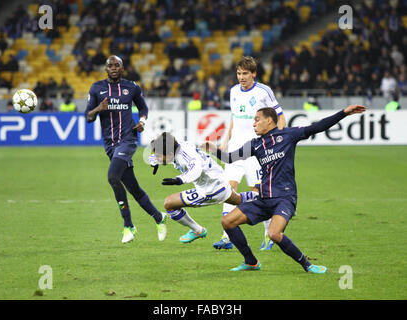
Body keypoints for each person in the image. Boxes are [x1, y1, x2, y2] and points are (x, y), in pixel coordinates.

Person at [202, 104, 366, 272]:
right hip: (263, 198)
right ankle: (251, 262)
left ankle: (308, 265)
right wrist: (214, 150)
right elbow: (230, 158)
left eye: (257, 120)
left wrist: (344, 113)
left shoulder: (288, 135)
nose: (254, 124)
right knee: (227, 222)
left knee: (274, 234)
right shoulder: (255, 144)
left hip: (284, 199)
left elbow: (318, 126)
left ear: (270, 120)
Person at [84, 55, 167, 244]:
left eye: (117, 65)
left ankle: (128, 226)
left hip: (128, 140)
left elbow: (143, 108)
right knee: (133, 188)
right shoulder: (96, 88)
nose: (113, 68)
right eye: (110, 65)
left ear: (122, 68)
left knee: (112, 177)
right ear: (106, 69)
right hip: (110, 145)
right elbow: (88, 117)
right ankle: (158, 218)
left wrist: (142, 122)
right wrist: (98, 108)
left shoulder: (132, 87)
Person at [213, 56, 286, 251]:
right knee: (228, 189)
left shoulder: (264, 91)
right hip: (235, 148)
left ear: (254, 73)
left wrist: (277, 141)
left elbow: (280, 116)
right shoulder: (233, 91)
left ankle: (268, 235)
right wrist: (226, 139)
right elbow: (234, 117)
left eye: (245, 73)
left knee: (259, 192)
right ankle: (227, 236)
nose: (241, 77)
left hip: (257, 150)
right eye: (238, 73)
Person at [148, 132, 258, 243]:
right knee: (238, 199)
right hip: (218, 178)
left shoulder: (185, 158)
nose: (157, 158)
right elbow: (160, 154)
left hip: (210, 191)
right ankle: (264, 197)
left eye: (158, 156)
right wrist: (154, 161)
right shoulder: (177, 146)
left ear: (171, 154)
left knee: (169, 204)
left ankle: (197, 230)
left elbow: (196, 169)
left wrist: (179, 179)